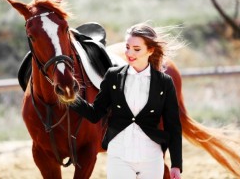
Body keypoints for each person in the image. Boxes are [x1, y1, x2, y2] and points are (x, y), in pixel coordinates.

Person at [70, 22, 182, 179]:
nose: (130, 53)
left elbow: (173, 126)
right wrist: (70, 97)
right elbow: (95, 114)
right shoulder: (112, 76)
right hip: (119, 155)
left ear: (150, 50)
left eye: (136, 49)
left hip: (152, 157)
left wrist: (176, 164)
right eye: (127, 47)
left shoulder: (165, 82)